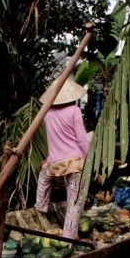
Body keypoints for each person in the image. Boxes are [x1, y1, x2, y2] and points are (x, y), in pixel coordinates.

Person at [35, 77, 90, 239]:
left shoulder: (47, 114)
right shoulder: (74, 111)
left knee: (44, 178)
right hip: (75, 163)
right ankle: (69, 237)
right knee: (74, 202)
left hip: (55, 163)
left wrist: (48, 159)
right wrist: (88, 159)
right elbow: (81, 139)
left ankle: (41, 205)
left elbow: (52, 139)